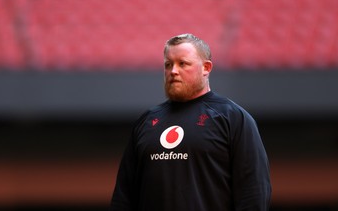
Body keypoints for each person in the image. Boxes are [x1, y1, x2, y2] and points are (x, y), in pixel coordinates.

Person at [110, 33, 271, 211]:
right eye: (168, 64)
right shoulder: (147, 121)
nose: (173, 71)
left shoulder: (233, 118)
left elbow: (253, 192)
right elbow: (123, 196)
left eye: (183, 63)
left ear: (206, 68)